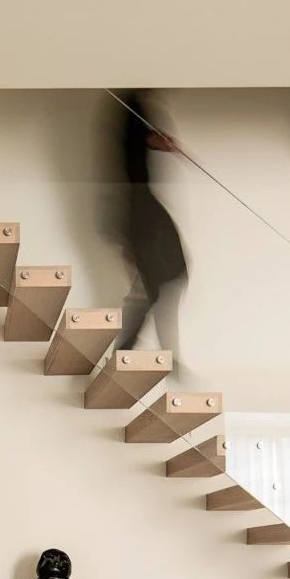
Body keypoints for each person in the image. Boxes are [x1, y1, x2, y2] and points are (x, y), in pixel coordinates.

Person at [114, 91, 188, 378]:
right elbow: (136, 143)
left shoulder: (132, 108)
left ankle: (136, 351)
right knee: (156, 284)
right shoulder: (130, 106)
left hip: (140, 206)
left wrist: (157, 140)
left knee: (163, 280)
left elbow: (138, 143)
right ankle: (130, 352)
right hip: (138, 207)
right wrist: (157, 140)